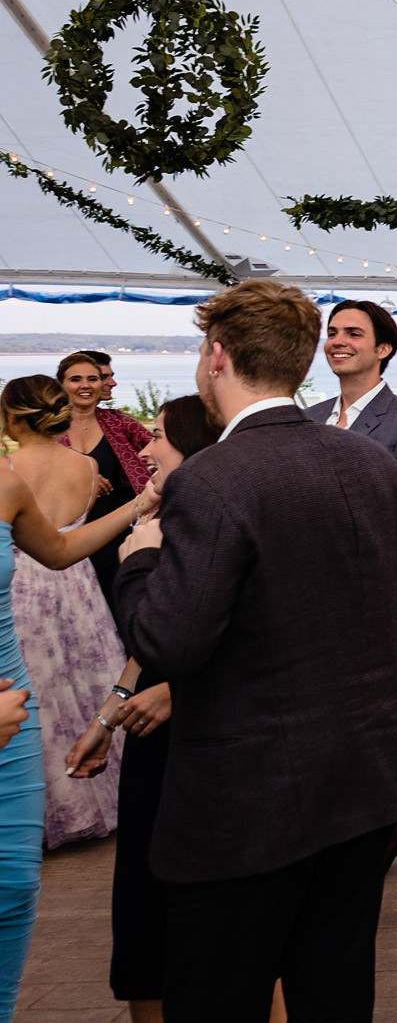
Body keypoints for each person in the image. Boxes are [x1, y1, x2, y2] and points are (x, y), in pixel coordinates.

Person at [111, 279, 397, 1018]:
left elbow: (169, 638)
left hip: (250, 797)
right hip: (367, 777)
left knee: (220, 994)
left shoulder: (211, 479)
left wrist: (141, 556)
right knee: (333, 987)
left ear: (216, 357)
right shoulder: (362, 458)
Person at [64, 395, 219, 1018]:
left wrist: (179, 691)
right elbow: (148, 645)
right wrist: (109, 715)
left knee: (231, 927)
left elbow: (259, 634)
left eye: (158, 437)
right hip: (151, 743)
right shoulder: (158, 519)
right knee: (143, 910)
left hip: (211, 745)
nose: (145, 448)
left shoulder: (209, 528)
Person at [0, 417, 145, 1014]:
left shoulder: (5, 484)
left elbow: (59, 550)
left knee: (12, 884)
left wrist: (146, 502)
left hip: (15, 713)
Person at [3, 375, 129, 846]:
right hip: (76, 584)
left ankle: (44, 811)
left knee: (36, 694)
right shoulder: (84, 467)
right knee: (84, 682)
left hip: (23, 590)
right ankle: (101, 795)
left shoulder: (8, 470)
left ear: (13, 417)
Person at [308, 300, 397, 663]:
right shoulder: (308, 419)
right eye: (332, 333)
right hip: (302, 604)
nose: (338, 341)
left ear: (383, 349)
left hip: (370, 608)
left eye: (353, 334)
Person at [55, 351, 153, 606]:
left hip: (115, 534)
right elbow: (27, 470)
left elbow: (164, 448)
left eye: (93, 379)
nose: (85, 385)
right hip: (63, 536)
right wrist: (81, 477)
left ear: (101, 384)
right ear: (61, 385)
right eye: (76, 379)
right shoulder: (47, 429)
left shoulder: (119, 422)